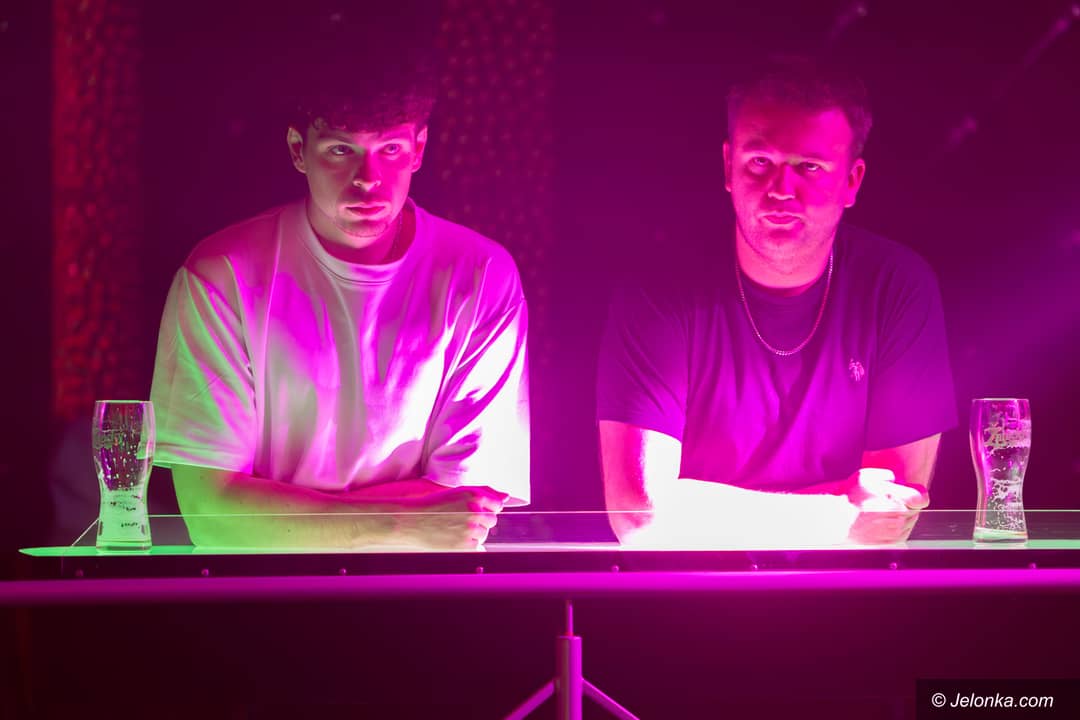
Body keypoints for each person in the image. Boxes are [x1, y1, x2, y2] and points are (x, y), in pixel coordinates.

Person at [149, 48, 529, 550]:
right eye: (340, 150)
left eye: (389, 148)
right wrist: (405, 522)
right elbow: (212, 518)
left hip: (421, 589)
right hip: (260, 591)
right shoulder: (223, 274)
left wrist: (282, 516)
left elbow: (466, 511)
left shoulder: (480, 275)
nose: (368, 178)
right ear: (297, 149)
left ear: (418, 149)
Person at [597, 55, 956, 546]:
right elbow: (640, 517)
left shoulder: (896, 287)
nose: (781, 190)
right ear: (728, 166)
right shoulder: (657, 292)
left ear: (852, 182)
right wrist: (836, 506)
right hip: (693, 585)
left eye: (809, 167)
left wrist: (698, 510)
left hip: (847, 589)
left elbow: (887, 521)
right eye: (760, 162)